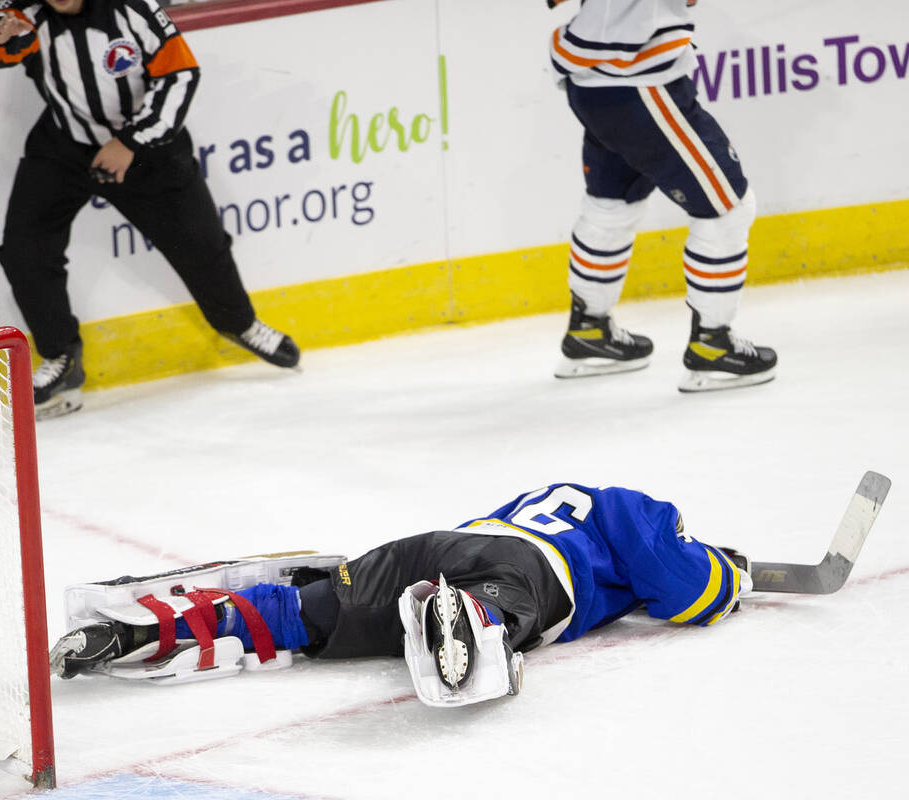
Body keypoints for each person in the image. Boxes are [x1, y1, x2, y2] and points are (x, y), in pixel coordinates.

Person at [48, 482, 751, 707]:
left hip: (434, 546)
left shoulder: (547, 495)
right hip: (524, 566)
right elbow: (684, 590)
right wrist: (730, 573)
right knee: (514, 606)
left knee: (311, 614)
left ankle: (148, 631)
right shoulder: (632, 508)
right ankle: (474, 620)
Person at [0, 0, 300, 419]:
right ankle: (61, 357)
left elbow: (181, 74)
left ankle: (239, 323)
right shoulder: (28, 12)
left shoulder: (132, 8)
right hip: (63, 146)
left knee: (201, 244)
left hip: (147, 151)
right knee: (25, 249)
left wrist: (130, 142)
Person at [546, 0, 777, 392]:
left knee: (613, 202)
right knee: (727, 209)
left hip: (595, 84)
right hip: (639, 85)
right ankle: (712, 346)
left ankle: (590, 332)